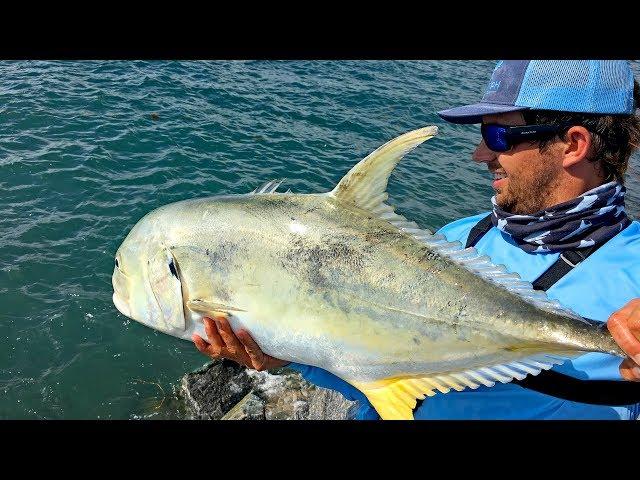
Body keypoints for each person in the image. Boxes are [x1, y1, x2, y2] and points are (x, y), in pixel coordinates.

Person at [193, 60, 640, 420]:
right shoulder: (458, 241)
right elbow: (377, 358)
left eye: (497, 135)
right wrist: (284, 353)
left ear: (574, 144)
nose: (480, 154)